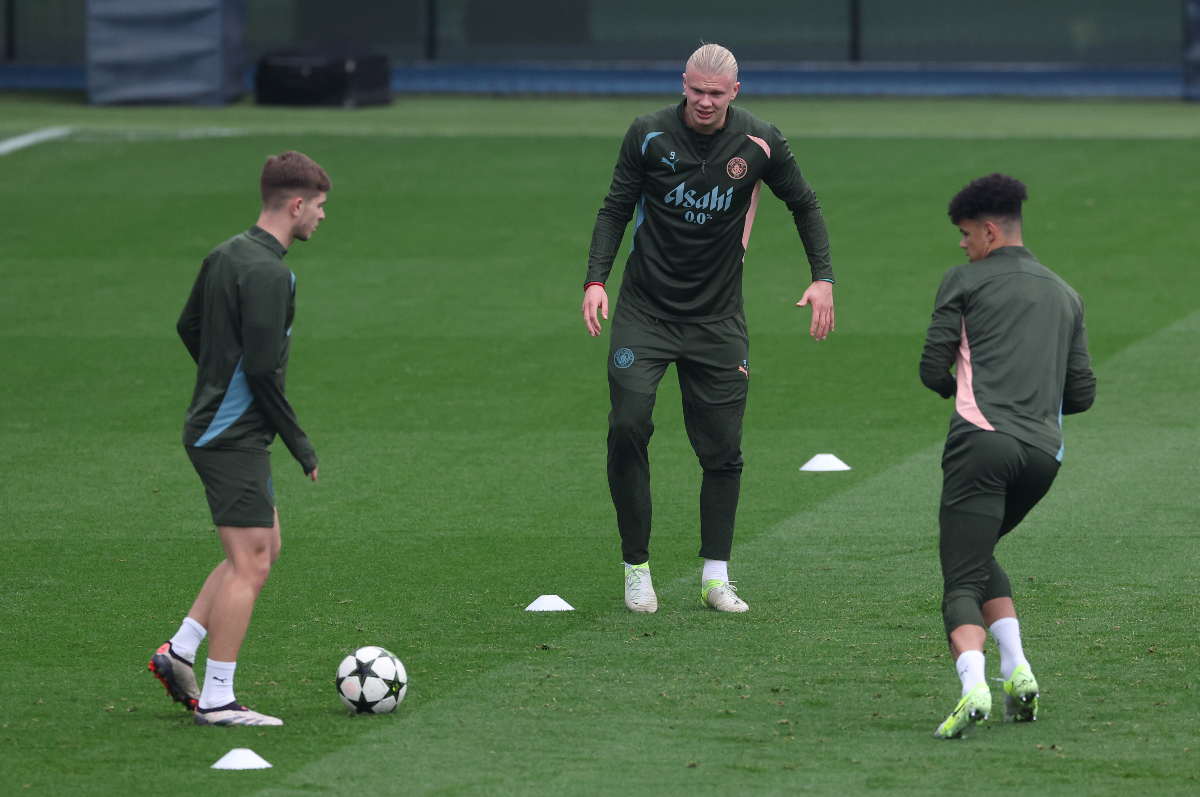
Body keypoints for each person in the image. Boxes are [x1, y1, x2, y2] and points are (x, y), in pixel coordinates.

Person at [582, 44, 835, 614]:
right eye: (695, 90)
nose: (703, 102)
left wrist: (823, 277)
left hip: (718, 321)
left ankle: (715, 577)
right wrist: (595, 280)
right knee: (627, 426)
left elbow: (806, 205)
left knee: (722, 451)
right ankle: (637, 567)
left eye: (715, 94)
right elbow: (614, 209)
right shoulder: (646, 134)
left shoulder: (761, 142)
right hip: (643, 313)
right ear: (684, 84)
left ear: (735, 92)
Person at [148, 151, 329, 727]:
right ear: (296, 204)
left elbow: (188, 327)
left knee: (263, 547)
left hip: (221, 426)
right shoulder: (272, 273)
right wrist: (301, 447)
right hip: (231, 436)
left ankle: (179, 650)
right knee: (250, 563)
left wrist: (214, 378)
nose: (322, 218)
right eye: (320, 208)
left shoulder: (226, 253)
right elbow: (261, 372)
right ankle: (219, 698)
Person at [920, 173, 1095, 739]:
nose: (964, 245)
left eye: (967, 235)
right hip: (1044, 455)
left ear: (990, 231)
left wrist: (956, 390)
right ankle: (1017, 672)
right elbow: (1084, 394)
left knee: (959, 580)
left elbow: (931, 368)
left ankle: (973, 685)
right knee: (977, 553)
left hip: (980, 441)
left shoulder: (965, 281)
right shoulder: (1066, 294)